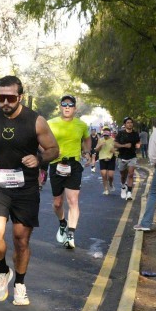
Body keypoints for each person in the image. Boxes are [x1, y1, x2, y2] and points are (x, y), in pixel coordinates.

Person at [0, 75, 59, 306]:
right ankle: (3, 271)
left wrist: (39, 158)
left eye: (10, 98)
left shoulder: (36, 121)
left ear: (20, 97)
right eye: (1, 97)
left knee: (21, 240)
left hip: (26, 187)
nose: (5, 102)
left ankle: (20, 284)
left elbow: (54, 149)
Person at [47, 94, 91, 249]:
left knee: (73, 200)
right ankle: (62, 223)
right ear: (60, 107)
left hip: (74, 164)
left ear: (75, 108)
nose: (67, 107)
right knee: (57, 203)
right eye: (64, 104)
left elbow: (87, 138)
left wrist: (87, 152)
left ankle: (71, 234)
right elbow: (40, 139)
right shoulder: (50, 123)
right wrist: (48, 151)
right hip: (56, 164)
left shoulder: (81, 125)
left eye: (70, 105)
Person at [115, 117, 141, 201]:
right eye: (128, 123)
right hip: (122, 157)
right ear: (125, 124)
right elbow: (115, 144)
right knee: (123, 175)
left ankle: (129, 193)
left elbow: (138, 141)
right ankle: (123, 186)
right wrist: (124, 146)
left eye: (131, 122)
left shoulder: (135, 134)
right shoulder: (120, 133)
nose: (130, 124)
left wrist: (138, 145)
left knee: (130, 174)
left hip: (132, 157)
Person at [95, 126, 117, 195]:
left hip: (111, 158)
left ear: (109, 134)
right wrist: (100, 145)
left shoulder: (113, 140)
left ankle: (110, 183)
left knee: (110, 175)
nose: (105, 136)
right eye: (104, 135)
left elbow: (117, 151)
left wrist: (114, 151)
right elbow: (96, 149)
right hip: (102, 158)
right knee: (104, 175)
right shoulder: (100, 140)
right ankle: (106, 189)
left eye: (107, 135)